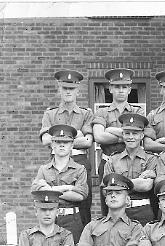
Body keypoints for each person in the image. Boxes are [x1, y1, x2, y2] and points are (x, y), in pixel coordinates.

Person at [40, 70, 94, 226]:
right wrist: (75, 135)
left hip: (80, 161)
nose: (68, 92)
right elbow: (45, 140)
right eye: (65, 88)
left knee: (83, 205)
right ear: (59, 89)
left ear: (78, 90)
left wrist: (58, 138)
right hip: (57, 163)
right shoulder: (50, 114)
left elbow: (87, 142)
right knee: (55, 200)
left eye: (71, 89)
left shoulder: (85, 114)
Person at [92, 68, 146, 215]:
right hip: (108, 162)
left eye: (124, 87)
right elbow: (98, 137)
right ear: (110, 88)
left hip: (132, 161)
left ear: (129, 89)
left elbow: (141, 135)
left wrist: (110, 130)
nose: (120, 90)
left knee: (135, 205)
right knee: (109, 207)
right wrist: (127, 135)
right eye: (117, 87)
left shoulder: (138, 112)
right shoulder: (102, 112)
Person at [31, 125, 88, 246]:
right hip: (49, 218)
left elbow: (80, 195)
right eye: (58, 142)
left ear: (72, 145)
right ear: (52, 145)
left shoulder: (79, 169)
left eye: (66, 142)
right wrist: (67, 188)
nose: (62, 145)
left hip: (72, 219)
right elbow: (35, 191)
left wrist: (51, 190)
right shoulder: (44, 169)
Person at [103, 113, 158, 225]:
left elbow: (146, 186)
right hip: (118, 211)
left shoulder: (151, 158)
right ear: (122, 135)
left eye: (135, 133)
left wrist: (118, 184)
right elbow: (106, 190)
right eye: (127, 133)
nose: (131, 137)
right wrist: (137, 182)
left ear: (142, 135)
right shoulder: (113, 159)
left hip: (143, 211)